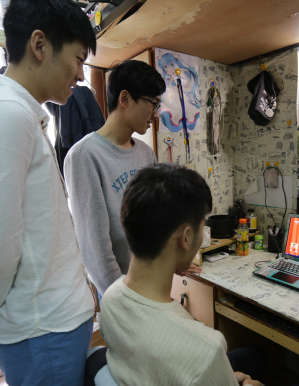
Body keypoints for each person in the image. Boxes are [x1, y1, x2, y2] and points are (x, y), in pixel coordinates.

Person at [0, 1, 97, 386]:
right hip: (44, 330)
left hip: (49, 325)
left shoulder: (20, 115)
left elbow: (34, 228)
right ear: (39, 45)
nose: (81, 75)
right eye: (78, 59)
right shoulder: (5, 115)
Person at [101, 164, 299, 386]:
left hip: (152, 381)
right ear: (186, 238)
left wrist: (219, 379)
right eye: (203, 226)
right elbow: (201, 364)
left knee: (253, 355)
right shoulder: (206, 348)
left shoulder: (110, 299)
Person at [65, 60, 202, 297]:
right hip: (118, 291)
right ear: (125, 98)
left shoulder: (146, 153)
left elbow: (157, 221)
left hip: (151, 282)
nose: (156, 115)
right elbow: (94, 248)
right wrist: (123, 301)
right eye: (153, 104)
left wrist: (172, 260)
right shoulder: (84, 155)